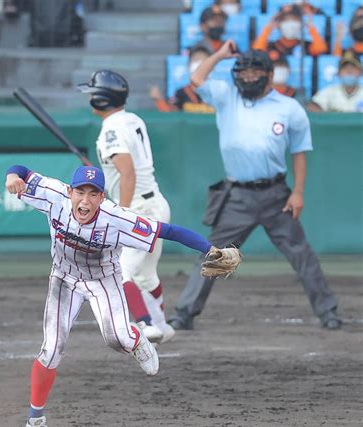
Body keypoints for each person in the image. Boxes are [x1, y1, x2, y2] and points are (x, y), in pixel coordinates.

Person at [4, 164, 231, 427]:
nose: (85, 200)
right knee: (51, 349)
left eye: (93, 194)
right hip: (63, 278)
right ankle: (35, 423)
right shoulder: (54, 195)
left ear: (102, 198)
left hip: (103, 281)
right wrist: (12, 176)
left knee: (118, 339)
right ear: (70, 191)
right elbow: (21, 171)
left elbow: (168, 231)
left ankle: (137, 341)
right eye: (80, 192)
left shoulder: (117, 219)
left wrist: (209, 249)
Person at [168, 41, 342, 332]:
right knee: (214, 255)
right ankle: (184, 313)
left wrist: (298, 192)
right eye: (243, 72)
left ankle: (329, 312)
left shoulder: (290, 109)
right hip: (237, 195)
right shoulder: (227, 96)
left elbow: (300, 153)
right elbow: (197, 79)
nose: (248, 77)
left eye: (254, 72)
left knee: (301, 253)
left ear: (269, 75)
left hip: (276, 195)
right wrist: (221, 55)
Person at [77, 70, 175, 344]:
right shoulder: (131, 118)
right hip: (154, 204)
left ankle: (146, 324)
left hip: (139, 209)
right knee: (145, 274)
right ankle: (161, 325)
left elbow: (128, 173)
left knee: (117, 269)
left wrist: (123, 213)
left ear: (102, 99)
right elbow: (123, 170)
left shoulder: (111, 129)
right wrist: (101, 171)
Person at [150, 46, 215, 113]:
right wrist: (158, 100)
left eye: (204, 60)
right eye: (196, 60)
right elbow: (171, 113)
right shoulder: (181, 93)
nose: (199, 64)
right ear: (188, 66)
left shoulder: (217, 92)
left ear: (212, 67)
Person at [253, 4, 327, 58]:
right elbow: (257, 50)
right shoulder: (272, 45)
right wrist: (269, 28)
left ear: (301, 24)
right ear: (279, 24)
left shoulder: (305, 45)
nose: (290, 23)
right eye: (286, 20)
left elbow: (320, 49)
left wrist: (310, 27)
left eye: (294, 20)